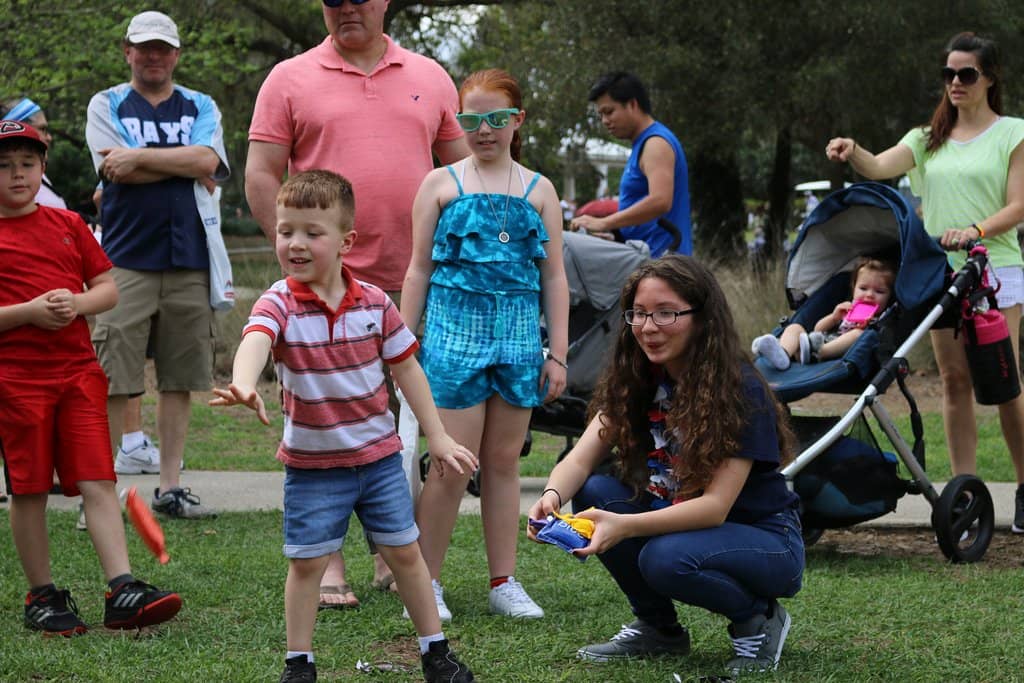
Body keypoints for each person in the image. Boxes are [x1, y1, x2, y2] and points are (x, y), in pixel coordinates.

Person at [210, 170, 477, 683]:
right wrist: (244, 381)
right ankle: (299, 664)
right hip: (313, 468)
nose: (296, 243)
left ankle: (435, 652)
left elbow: (407, 371)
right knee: (308, 565)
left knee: (406, 557)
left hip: (377, 460)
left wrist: (438, 435)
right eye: (286, 231)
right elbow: (256, 340)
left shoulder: (376, 303)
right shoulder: (279, 301)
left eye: (313, 232)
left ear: (346, 241)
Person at [245, 0, 470, 608]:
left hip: (415, 282)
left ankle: (390, 551)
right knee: (322, 420)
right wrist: (295, 258)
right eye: (332, 0)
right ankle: (327, 563)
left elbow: (465, 172)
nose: (344, 8)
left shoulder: (431, 76)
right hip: (323, 289)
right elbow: (262, 173)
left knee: (397, 422)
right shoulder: (288, 78)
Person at [527, 255, 804, 675]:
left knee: (662, 557)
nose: (648, 327)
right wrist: (551, 497)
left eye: (666, 313)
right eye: (637, 314)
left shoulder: (740, 390)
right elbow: (581, 458)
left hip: (765, 540)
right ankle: (659, 629)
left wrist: (625, 526)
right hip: (683, 522)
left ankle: (758, 620)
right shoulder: (638, 377)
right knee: (596, 491)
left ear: (701, 318)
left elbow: (715, 507)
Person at [825, 31, 1024, 533]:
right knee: (955, 381)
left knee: (1003, 384)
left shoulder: (1013, 133)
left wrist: (975, 230)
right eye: (948, 74)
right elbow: (879, 167)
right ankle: (967, 492)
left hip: (995, 269)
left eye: (967, 74)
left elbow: (1019, 205)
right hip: (939, 272)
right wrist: (854, 151)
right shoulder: (926, 137)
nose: (955, 83)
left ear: (989, 78)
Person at [0, 120, 182, 637]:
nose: (18, 174)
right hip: (17, 379)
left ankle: (121, 588)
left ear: (42, 169)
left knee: (98, 480)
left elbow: (107, 289)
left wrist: (76, 302)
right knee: (29, 488)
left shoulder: (68, 224)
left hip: (77, 373)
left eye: (27, 164)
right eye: (5, 166)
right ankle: (42, 594)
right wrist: (28, 312)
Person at [402, 68, 570, 621]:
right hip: (453, 344)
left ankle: (504, 582)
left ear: (517, 120)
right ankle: (425, 584)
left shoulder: (539, 189)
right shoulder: (440, 184)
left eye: (497, 119)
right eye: (471, 120)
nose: (484, 130)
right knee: (451, 465)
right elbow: (418, 271)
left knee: (502, 464)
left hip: (520, 346)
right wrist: (401, 346)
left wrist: (558, 354)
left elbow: (553, 279)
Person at [85, 11, 229, 518]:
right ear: (126, 49)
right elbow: (111, 167)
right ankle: (99, 492)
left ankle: (169, 489)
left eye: (163, 48)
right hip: (123, 258)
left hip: (189, 257)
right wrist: (181, 164)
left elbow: (208, 163)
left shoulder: (201, 103)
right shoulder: (105, 102)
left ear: (176, 54)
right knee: (114, 376)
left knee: (179, 378)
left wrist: (140, 161)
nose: (153, 56)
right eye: (144, 47)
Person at [570, 71, 692, 257]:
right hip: (643, 257)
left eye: (609, 112)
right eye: (600, 115)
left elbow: (660, 201)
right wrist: (616, 236)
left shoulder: (655, 144)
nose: (605, 121)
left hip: (663, 264)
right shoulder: (642, 144)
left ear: (633, 104)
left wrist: (604, 222)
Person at [752, 257, 896, 370]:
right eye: (863, 288)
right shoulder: (846, 309)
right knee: (795, 327)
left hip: (838, 353)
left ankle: (819, 353)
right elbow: (818, 329)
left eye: (879, 291)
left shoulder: (880, 319)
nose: (869, 295)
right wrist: (834, 318)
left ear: (889, 296)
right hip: (810, 345)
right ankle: (782, 353)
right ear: (853, 289)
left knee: (858, 334)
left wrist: (865, 326)